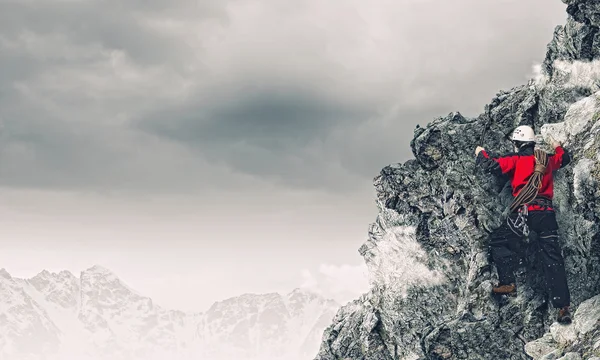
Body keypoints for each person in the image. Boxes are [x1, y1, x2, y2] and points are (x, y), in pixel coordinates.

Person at [475, 125, 573, 324]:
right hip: (546, 215)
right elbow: (564, 158)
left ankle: (508, 282)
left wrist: (480, 152)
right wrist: (557, 146)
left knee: (498, 241)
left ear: (517, 143)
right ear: (533, 141)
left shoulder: (515, 160)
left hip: (524, 214)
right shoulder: (546, 159)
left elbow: (490, 165)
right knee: (553, 258)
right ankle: (563, 308)